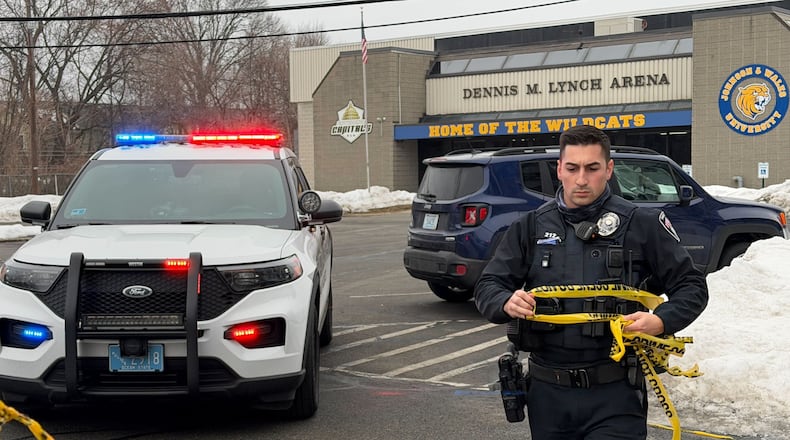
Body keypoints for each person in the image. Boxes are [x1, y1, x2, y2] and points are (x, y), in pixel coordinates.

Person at [474, 125, 708, 439]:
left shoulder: (642, 224)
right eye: (572, 168)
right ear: (559, 169)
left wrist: (660, 321)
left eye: (592, 168)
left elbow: (692, 285)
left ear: (609, 169)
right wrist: (505, 301)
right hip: (548, 396)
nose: (581, 179)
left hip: (615, 394)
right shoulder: (528, 227)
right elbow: (488, 286)